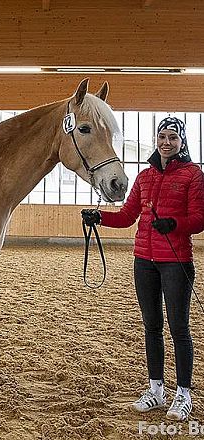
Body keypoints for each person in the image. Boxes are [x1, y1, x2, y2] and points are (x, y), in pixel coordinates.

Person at [81, 117, 204, 421]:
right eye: (162, 136)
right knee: (152, 327)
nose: (166, 142)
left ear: (181, 142)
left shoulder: (193, 175)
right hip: (144, 262)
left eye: (172, 137)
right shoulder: (145, 176)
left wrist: (175, 225)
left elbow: (200, 219)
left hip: (176, 262)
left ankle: (183, 393)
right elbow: (127, 216)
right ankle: (156, 389)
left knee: (179, 329)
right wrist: (100, 218)